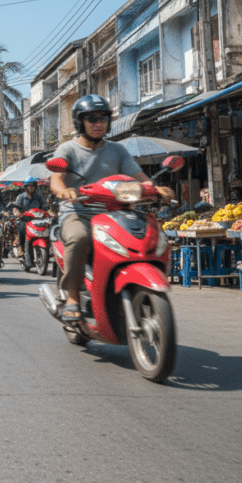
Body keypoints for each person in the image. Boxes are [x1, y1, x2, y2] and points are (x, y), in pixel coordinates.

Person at [50, 94, 174, 321]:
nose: (98, 123)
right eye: (92, 119)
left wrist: (157, 189)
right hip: (80, 213)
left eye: (103, 118)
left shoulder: (118, 150)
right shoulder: (67, 149)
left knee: (149, 235)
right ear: (80, 122)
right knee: (79, 239)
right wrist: (63, 191)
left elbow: (139, 177)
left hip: (117, 214)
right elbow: (56, 178)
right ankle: (73, 296)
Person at [13, 176, 47, 256]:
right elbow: (15, 208)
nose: (31, 188)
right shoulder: (21, 197)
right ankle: (21, 248)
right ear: (26, 187)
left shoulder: (39, 197)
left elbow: (45, 207)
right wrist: (18, 213)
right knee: (21, 229)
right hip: (24, 220)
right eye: (29, 186)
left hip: (37, 220)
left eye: (33, 186)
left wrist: (50, 213)